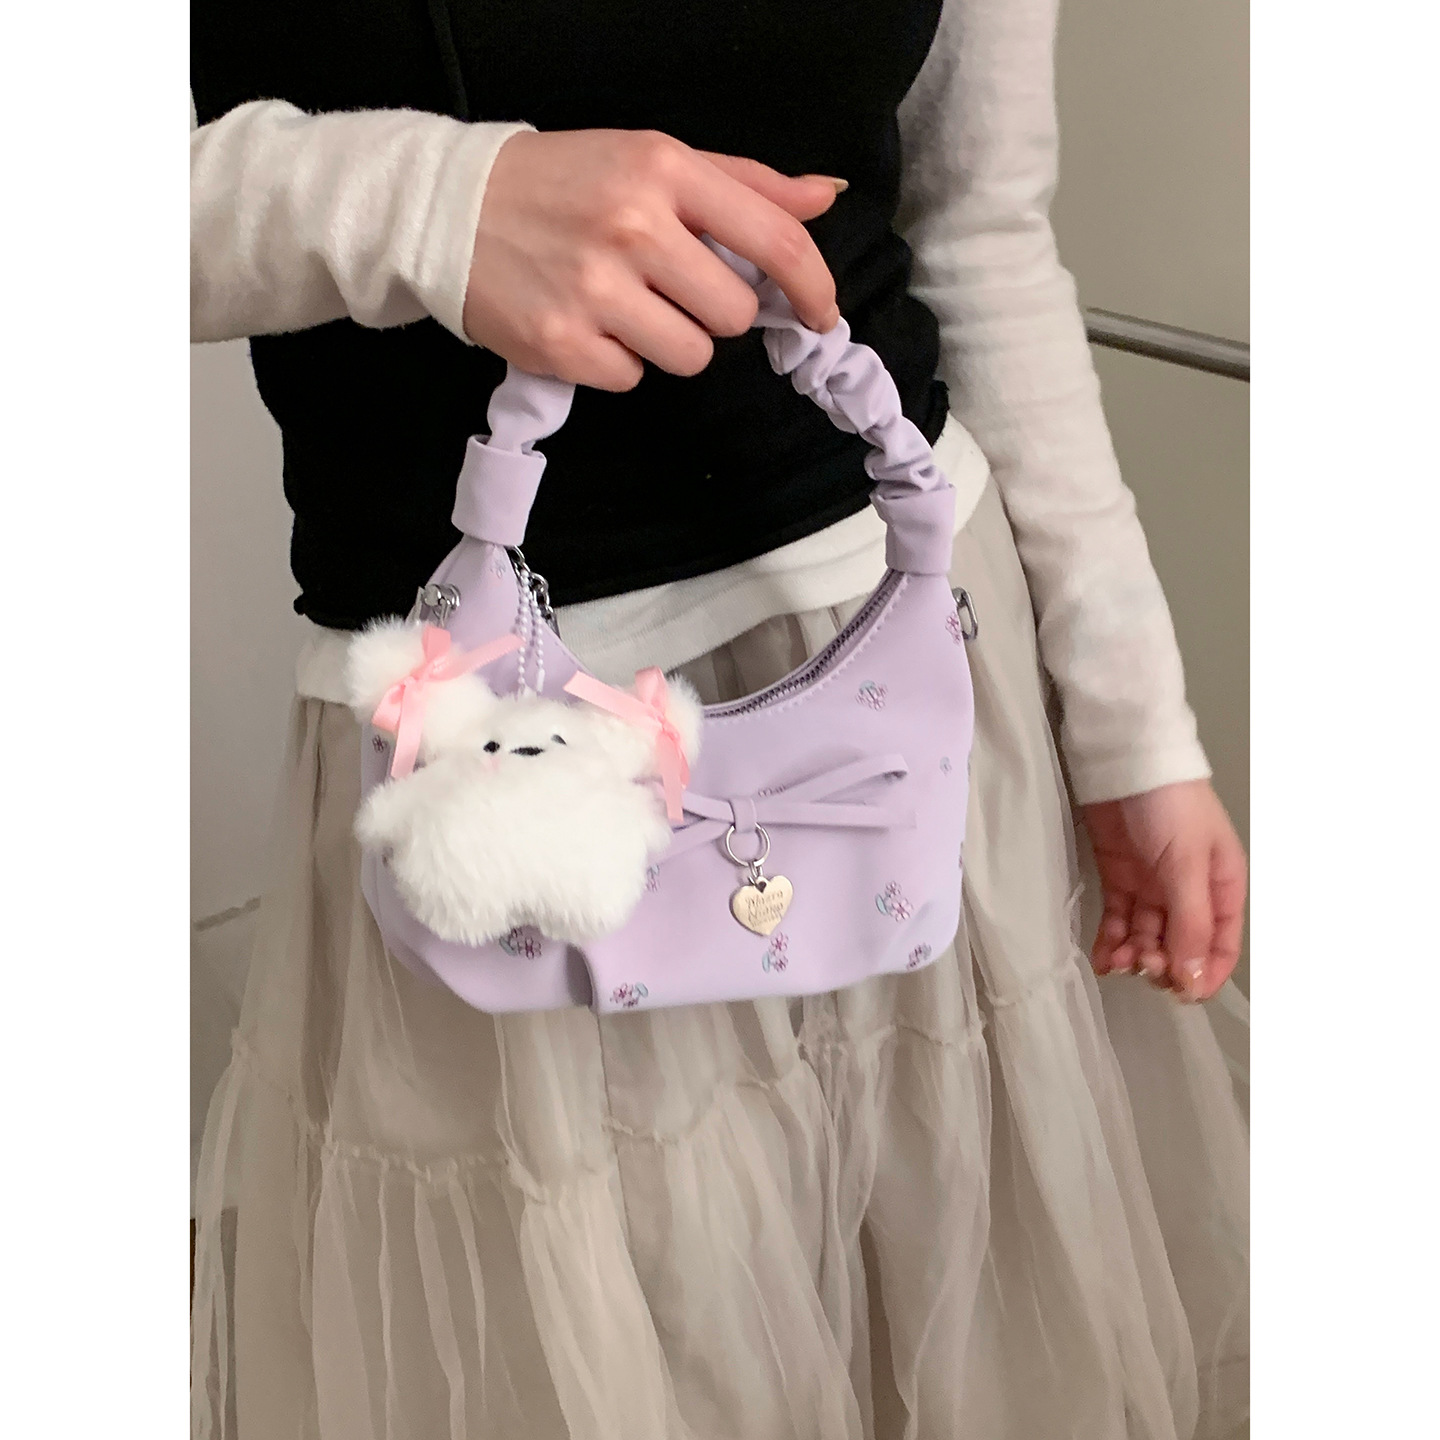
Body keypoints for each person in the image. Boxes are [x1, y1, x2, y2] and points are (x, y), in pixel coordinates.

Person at [190, 1, 1249, 1436]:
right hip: (500, 779)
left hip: (914, 692)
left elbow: (980, 232)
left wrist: (1131, 724)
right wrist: (431, 201)